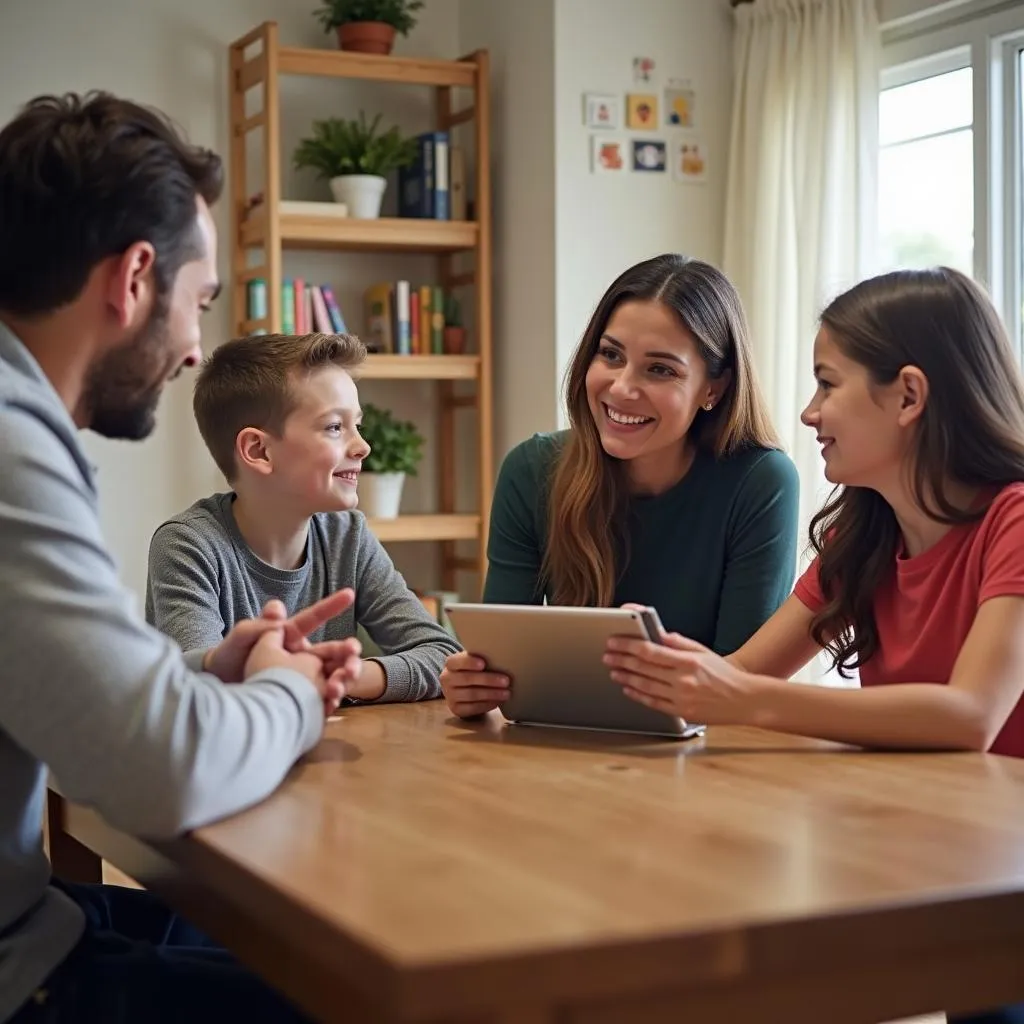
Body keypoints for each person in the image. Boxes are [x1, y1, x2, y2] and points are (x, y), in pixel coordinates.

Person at [0, 91, 361, 1023]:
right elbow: (160, 773)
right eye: (199, 302)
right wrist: (283, 693)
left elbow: (74, 713)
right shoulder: (10, 444)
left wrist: (207, 669)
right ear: (134, 278)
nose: (198, 349)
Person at [605, 265, 1024, 1024]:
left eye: (827, 384)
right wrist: (654, 672)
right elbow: (733, 684)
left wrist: (740, 696)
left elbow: (971, 717)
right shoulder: (861, 534)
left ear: (908, 395)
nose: (807, 411)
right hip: (955, 863)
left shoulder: (1016, 519)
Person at [441, 253, 800, 719]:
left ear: (714, 388)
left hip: (708, 763)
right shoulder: (531, 470)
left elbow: (740, 685)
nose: (622, 388)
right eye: (610, 355)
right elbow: (504, 666)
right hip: (559, 749)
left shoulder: (761, 483)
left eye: (660, 369)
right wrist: (473, 683)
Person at [146, 332, 460, 703]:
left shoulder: (349, 537)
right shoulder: (188, 545)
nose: (362, 446)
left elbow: (444, 655)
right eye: (334, 427)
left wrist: (344, 675)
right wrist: (297, 676)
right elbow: (196, 679)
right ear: (258, 449)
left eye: (356, 424)